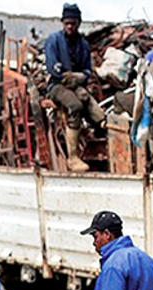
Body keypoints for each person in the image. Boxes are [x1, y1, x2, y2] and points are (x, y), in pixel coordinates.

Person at [45, 3, 106, 172]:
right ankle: (73, 158)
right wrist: (66, 75)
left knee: (94, 108)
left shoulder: (83, 44)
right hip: (57, 85)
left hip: (76, 85)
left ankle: (101, 131)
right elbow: (52, 66)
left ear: (78, 23)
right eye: (67, 23)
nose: (70, 26)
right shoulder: (54, 40)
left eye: (73, 23)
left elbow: (87, 69)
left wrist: (81, 76)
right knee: (75, 105)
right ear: (63, 23)